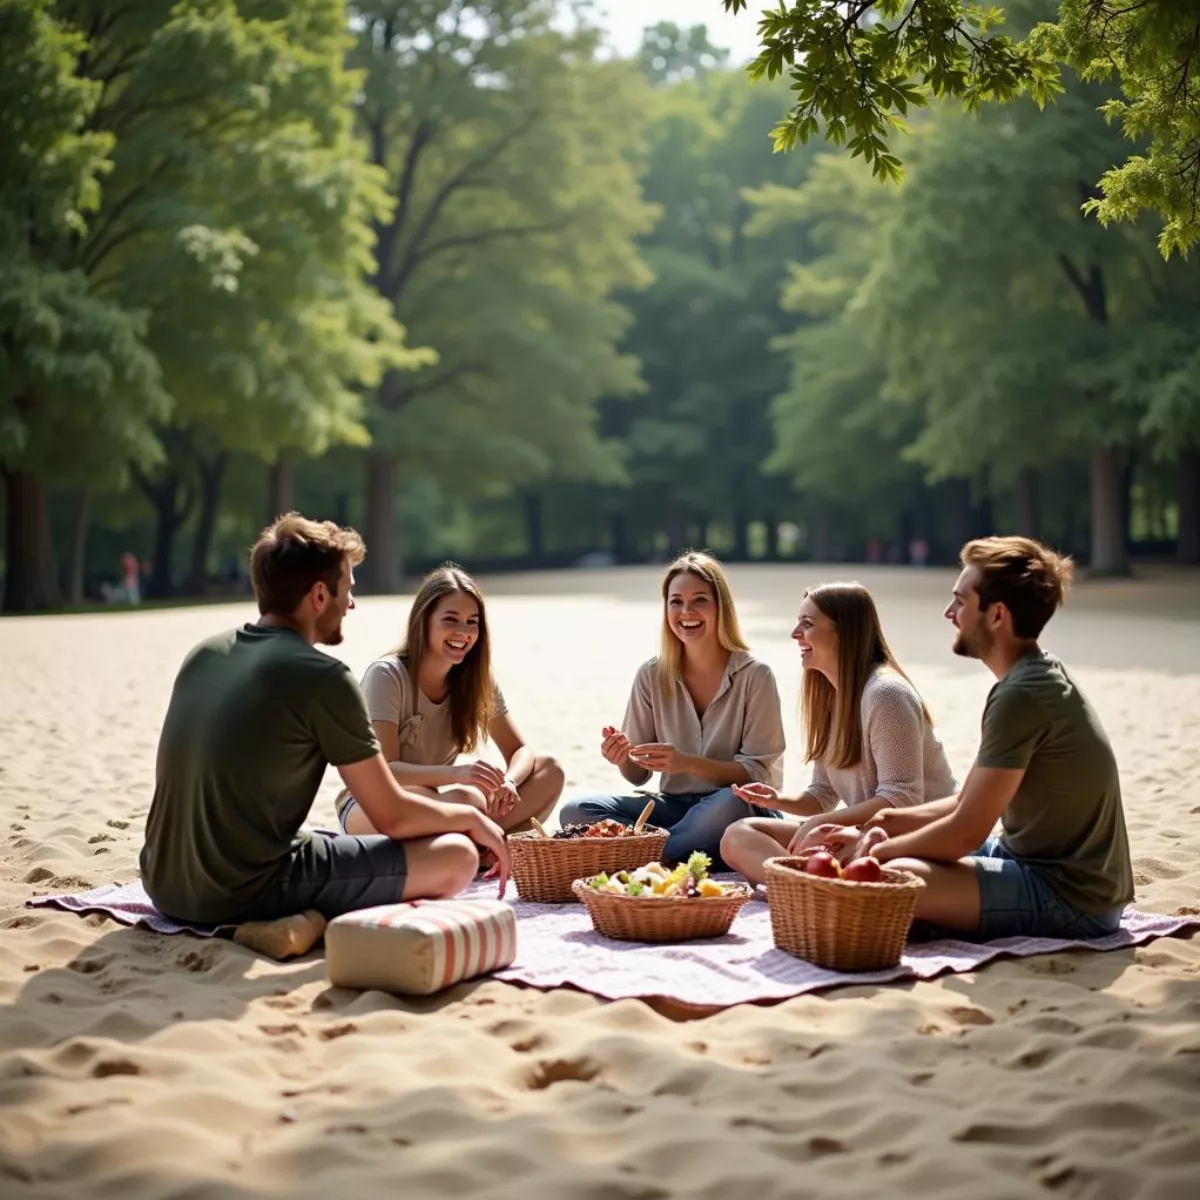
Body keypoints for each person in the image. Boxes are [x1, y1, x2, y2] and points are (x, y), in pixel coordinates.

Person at [139, 514, 510, 957]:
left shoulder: (204, 653)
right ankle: (304, 923)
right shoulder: (323, 677)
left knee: (334, 844)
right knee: (456, 857)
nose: (350, 604)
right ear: (319, 595)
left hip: (162, 884)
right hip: (238, 892)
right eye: (347, 588)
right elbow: (390, 815)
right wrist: (469, 818)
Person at [828, 536, 1134, 941]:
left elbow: (966, 832)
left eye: (960, 601)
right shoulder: (1033, 675)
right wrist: (883, 823)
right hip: (1022, 860)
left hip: (1070, 897)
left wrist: (882, 852)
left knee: (897, 875)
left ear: (997, 615)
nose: (948, 612)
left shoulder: (1022, 695)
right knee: (890, 848)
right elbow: (964, 801)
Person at [557, 551, 786, 865]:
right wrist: (623, 757)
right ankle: (687, 851)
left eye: (700, 600)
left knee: (729, 802)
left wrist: (688, 763)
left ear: (721, 607)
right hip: (674, 807)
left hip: (738, 809)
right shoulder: (651, 674)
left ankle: (649, 857)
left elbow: (756, 776)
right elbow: (637, 775)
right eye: (676, 601)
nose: (686, 611)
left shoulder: (756, 676)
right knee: (576, 810)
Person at [721, 582, 957, 886]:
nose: (795, 633)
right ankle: (811, 889)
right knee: (737, 835)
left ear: (844, 632)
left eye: (807, 624)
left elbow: (902, 798)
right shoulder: (832, 698)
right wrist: (777, 800)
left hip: (913, 840)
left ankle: (811, 887)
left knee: (821, 840)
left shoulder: (886, 694)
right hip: (860, 833)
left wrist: (826, 823)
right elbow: (821, 795)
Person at [336, 564, 564, 837]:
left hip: (437, 804)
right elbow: (384, 771)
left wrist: (510, 782)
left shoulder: (476, 679)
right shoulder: (386, 675)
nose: (463, 632)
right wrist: (458, 775)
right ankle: (477, 839)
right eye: (451, 619)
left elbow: (520, 750)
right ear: (424, 620)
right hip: (373, 806)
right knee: (466, 801)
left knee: (549, 770)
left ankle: (474, 840)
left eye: (472, 622)